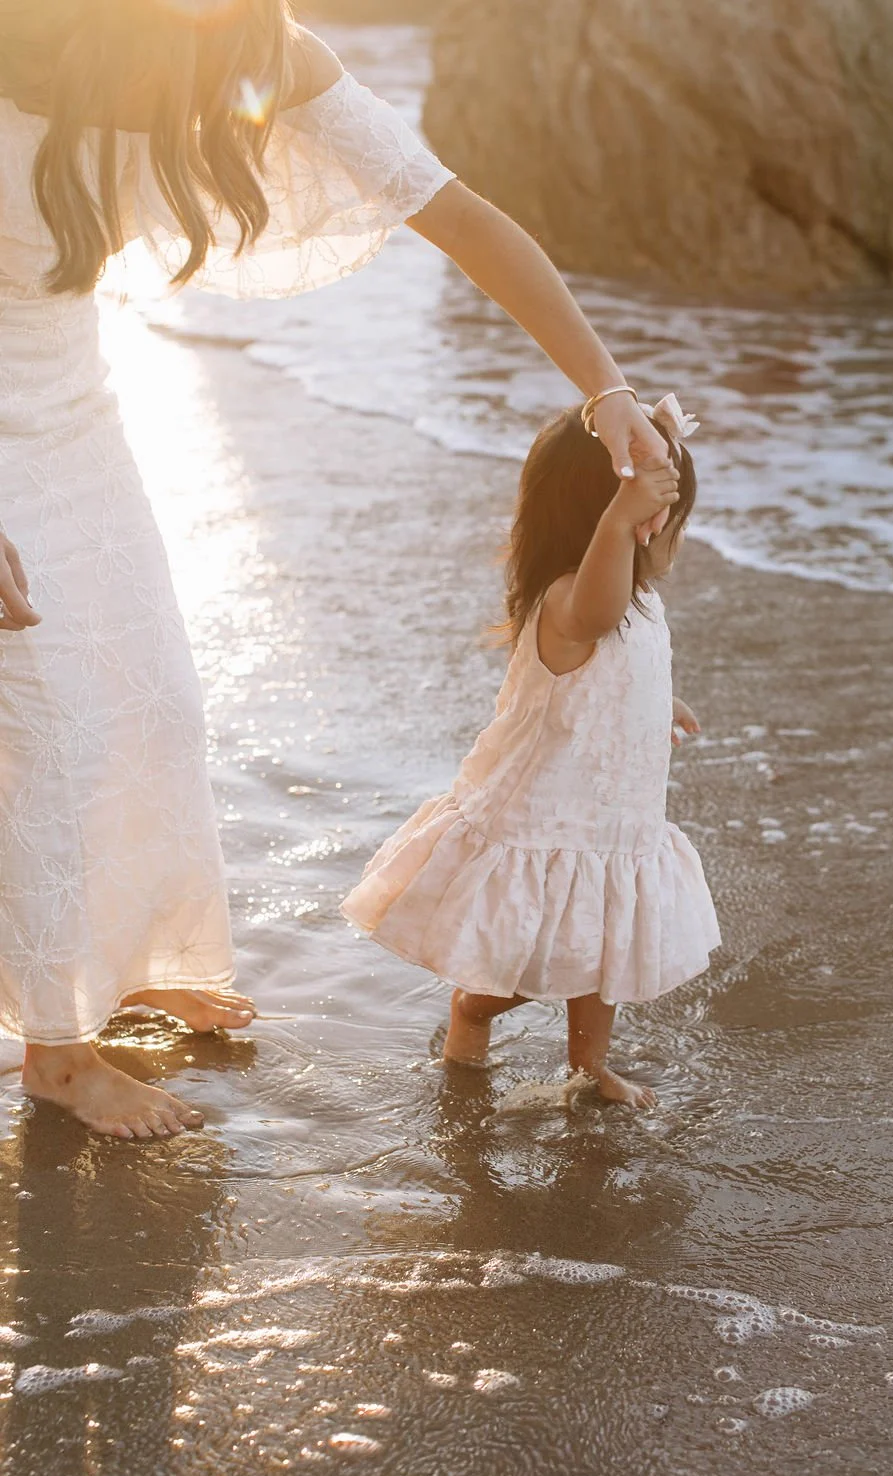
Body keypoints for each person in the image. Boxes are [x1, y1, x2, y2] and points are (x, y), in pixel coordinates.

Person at [0, 0, 672, 1138]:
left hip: (73, 402)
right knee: (47, 713)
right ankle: (55, 1054)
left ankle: (122, 968)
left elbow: (462, 219)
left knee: (155, 698)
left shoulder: (265, 46)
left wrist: (607, 394)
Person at [343, 395, 721, 1107]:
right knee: (537, 957)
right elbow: (596, 617)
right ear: (636, 519)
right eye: (671, 514)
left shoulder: (637, 601)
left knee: (604, 949)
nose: (676, 532)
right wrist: (622, 513)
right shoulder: (570, 600)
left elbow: (615, 673)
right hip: (546, 822)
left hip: (610, 823)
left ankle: (589, 1067)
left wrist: (652, 706)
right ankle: (470, 1013)